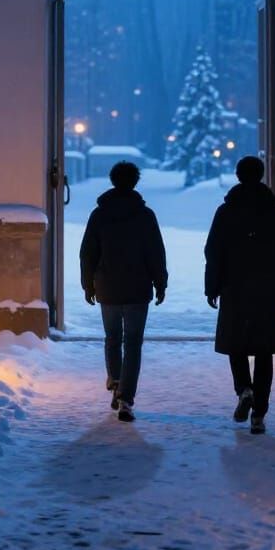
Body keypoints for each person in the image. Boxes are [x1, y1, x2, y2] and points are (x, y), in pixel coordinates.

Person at [204, 155, 275, 435]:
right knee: (264, 350)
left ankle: (244, 389)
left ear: (237, 175)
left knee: (237, 345)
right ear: (262, 175)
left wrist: (212, 286)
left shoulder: (226, 211)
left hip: (234, 287)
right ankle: (259, 412)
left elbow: (213, 251)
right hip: (268, 288)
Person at [79, 161, 168, 423]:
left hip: (107, 284)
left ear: (113, 180)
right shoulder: (145, 215)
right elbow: (156, 252)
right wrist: (160, 282)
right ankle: (126, 398)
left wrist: (88, 284)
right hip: (138, 287)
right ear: (135, 182)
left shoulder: (100, 214)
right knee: (133, 343)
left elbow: (88, 253)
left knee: (112, 338)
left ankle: (116, 380)